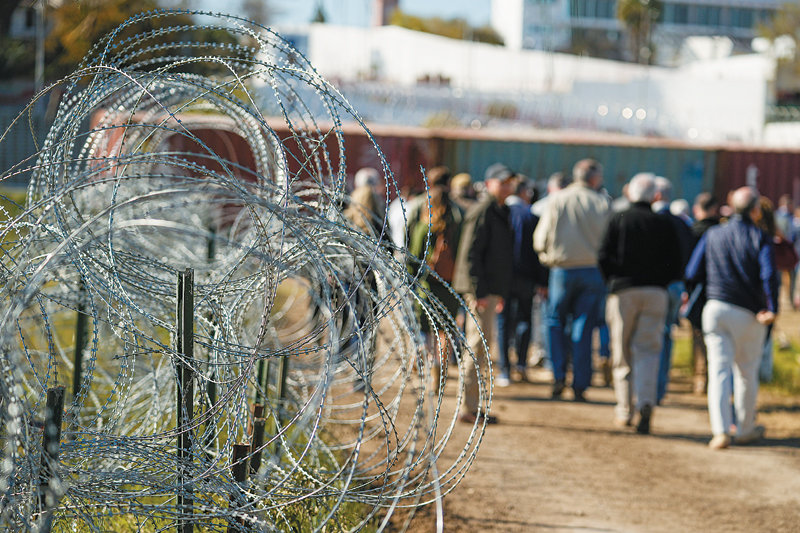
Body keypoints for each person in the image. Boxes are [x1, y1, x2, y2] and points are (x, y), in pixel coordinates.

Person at [685, 186, 779, 450]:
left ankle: (721, 431)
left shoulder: (713, 234)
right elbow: (769, 275)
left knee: (719, 371)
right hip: (750, 313)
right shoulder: (760, 238)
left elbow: (692, 272)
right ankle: (745, 427)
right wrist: (772, 308)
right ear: (755, 210)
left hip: (715, 310)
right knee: (746, 372)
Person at [598, 173, 682, 433]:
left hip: (624, 292)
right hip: (656, 293)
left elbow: (603, 255)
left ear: (630, 193)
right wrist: (662, 281)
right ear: (654, 195)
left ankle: (625, 409)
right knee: (648, 351)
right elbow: (677, 262)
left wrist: (612, 280)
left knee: (622, 352)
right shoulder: (664, 223)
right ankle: (646, 401)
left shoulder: (619, 219)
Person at [533, 158, 611, 402]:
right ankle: (580, 383)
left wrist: (547, 257)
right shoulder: (603, 203)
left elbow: (540, 238)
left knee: (555, 321)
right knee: (584, 327)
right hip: (592, 271)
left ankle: (557, 375)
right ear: (595, 178)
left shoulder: (558, 199)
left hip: (562, 270)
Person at [452, 163, 517, 423]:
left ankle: (474, 405)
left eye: (510, 182)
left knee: (482, 347)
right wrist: (478, 290)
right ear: (489, 183)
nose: (507, 187)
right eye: (502, 182)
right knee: (476, 346)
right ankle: (468, 408)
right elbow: (471, 253)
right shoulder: (484, 211)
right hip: (481, 290)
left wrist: (498, 292)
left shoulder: (500, 210)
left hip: (490, 290)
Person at [408, 184, 463, 394]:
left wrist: (411, 281)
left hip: (427, 286)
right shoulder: (456, 227)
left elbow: (413, 257)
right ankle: (440, 370)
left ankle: (426, 361)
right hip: (449, 286)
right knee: (444, 333)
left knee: (426, 332)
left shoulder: (424, 227)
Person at [495, 178, 548, 386]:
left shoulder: (501, 214)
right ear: (524, 192)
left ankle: (505, 369)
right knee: (525, 319)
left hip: (503, 278)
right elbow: (539, 252)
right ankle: (522, 363)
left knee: (503, 322)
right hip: (527, 277)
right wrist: (542, 281)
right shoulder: (532, 216)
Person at [652, 176, 694, 404]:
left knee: (649, 336)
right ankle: (660, 387)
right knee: (667, 334)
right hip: (676, 286)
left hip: (654, 287)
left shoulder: (650, 220)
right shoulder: (682, 223)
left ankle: (649, 388)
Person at [687, 192, 721, 395]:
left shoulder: (691, 231)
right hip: (718, 290)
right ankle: (711, 377)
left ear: (696, 209)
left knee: (698, 335)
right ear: (715, 209)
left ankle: (700, 378)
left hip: (696, 291)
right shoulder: (720, 231)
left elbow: (689, 269)